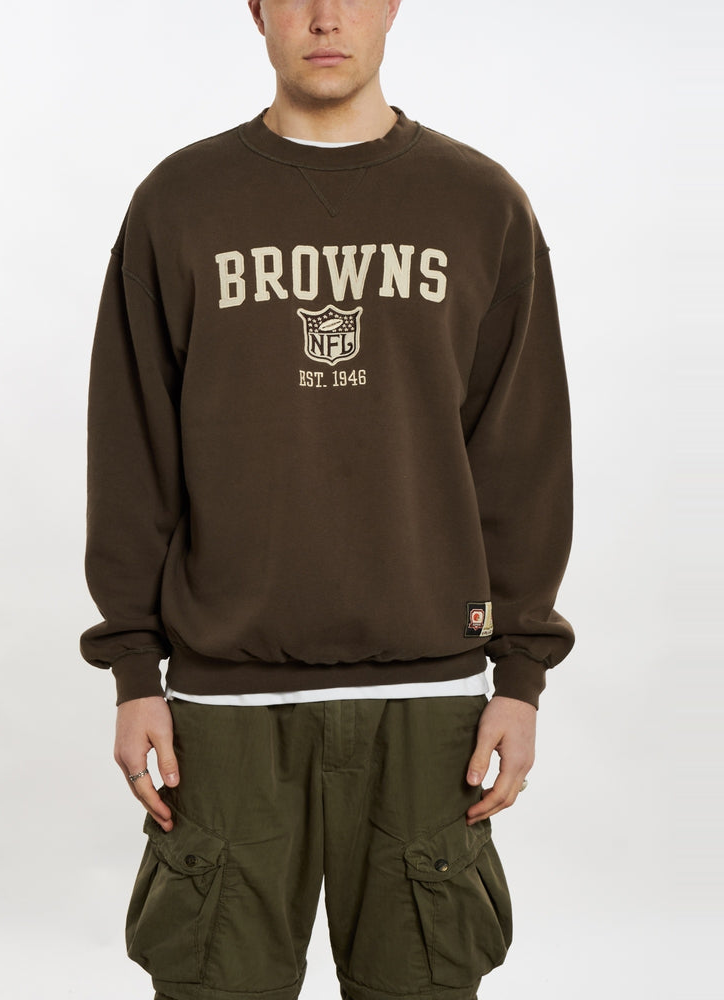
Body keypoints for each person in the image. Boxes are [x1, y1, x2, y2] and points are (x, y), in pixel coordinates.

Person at [80, 2, 574, 999]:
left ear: (392, 6)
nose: (323, 16)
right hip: (225, 708)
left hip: (428, 707)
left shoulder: (480, 205)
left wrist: (519, 676)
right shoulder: (180, 203)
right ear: (256, 11)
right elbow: (131, 448)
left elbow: (520, 457)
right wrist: (134, 669)